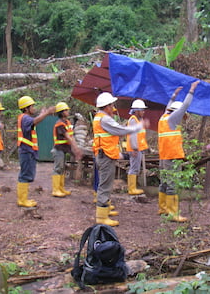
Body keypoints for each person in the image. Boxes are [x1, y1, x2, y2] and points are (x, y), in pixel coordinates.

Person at [93, 92, 149, 226]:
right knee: (105, 185)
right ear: (106, 106)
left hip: (105, 154)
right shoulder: (105, 119)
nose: (113, 107)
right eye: (111, 105)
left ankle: (104, 210)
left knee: (105, 183)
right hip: (105, 155)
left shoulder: (99, 117)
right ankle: (101, 217)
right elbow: (120, 130)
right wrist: (139, 126)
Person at [158, 80, 200, 222]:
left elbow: (168, 107)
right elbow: (185, 105)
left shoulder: (163, 117)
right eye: (182, 116)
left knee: (164, 182)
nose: (182, 118)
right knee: (172, 184)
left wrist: (174, 96)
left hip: (164, 155)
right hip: (172, 156)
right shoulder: (173, 118)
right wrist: (191, 90)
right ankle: (173, 213)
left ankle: (162, 207)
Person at [17, 96, 55, 207]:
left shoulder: (24, 118)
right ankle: (22, 200)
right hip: (26, 151)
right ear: (26, 108)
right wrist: (47, 113)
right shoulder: (25, 118)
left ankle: (23, 199)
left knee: (26, 174)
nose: (34, 108)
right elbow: (35, 121)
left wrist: (43, 113)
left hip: (28, 151)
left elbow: (35, 121)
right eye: (32, 106)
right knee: (25, 175)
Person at [51, 102, 83, 197]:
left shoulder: (67, 123)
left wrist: (74, 147)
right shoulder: (59, 124)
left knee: (62, 168)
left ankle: (61, 188)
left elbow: (71, 136)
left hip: (64, 149)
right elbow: (68, 137)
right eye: (66, 110)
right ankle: (55, 189)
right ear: (61, 112)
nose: (68, 111)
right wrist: (76, 149)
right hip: (58, 149)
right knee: (58, 168)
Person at [126, 99, 149, 195]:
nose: (143, 112)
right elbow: (133, 135)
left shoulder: (139, 120)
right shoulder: (133, 120)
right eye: (142, 110)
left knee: (136, 168)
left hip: (138, 148)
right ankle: (131, 189)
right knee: (134, 168)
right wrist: (135, 148)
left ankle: (133, 188)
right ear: (136, 111)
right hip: (134, 148)